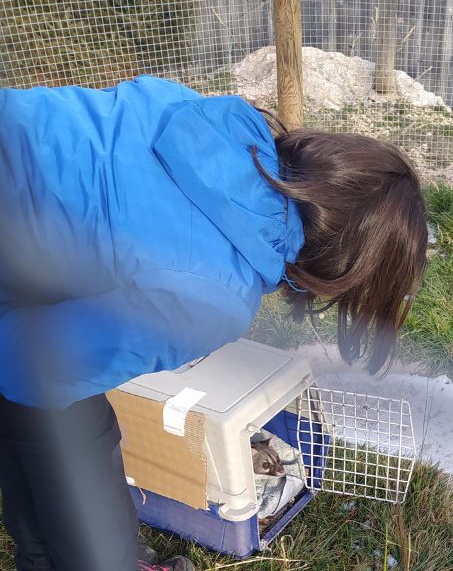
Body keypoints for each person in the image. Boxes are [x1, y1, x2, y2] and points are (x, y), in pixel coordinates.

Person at [0, 75, 428, 571]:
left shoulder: (201, 114)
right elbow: (30, 369)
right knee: (72, 425)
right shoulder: (217, 294)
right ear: (338, 264)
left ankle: (42, 556)